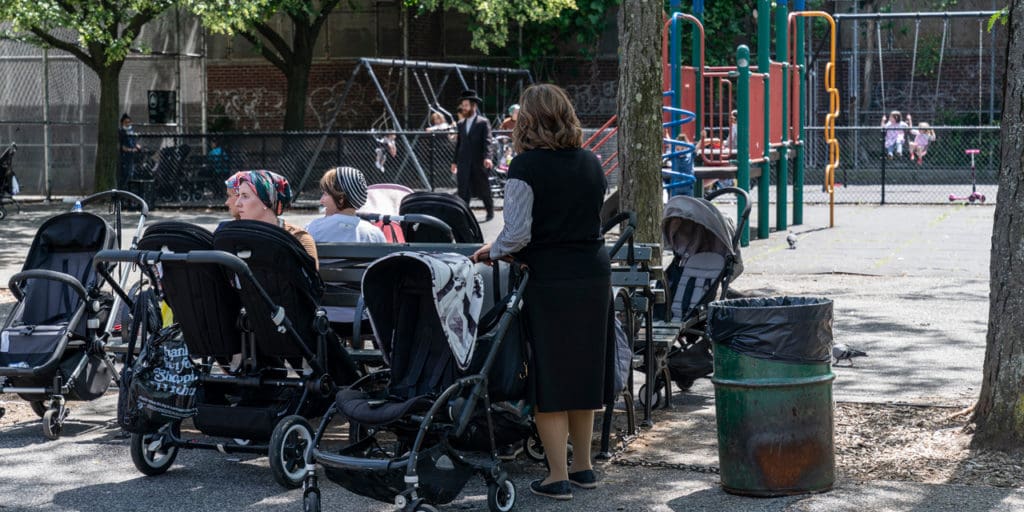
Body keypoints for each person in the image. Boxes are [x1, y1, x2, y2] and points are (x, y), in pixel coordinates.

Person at [471, 83, 612, 501]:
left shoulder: (525, 167)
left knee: (548, 375)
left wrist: (489, 251)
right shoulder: (592, 162)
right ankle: (583, 467)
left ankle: (556, 476)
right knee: (584, 370)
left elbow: (516, 234)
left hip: (550, 279)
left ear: (527, 121)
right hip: (593, 273)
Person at [232, 170, 318, 266]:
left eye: (245, 196)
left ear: (266, 201)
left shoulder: (298, 238)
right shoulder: (233, 235)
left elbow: (310, 278)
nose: (237, 203)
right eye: (239, 196)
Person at [306, 166, 385, 244]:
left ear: (341, 200)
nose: (321, 200)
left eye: (325, 194)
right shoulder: (375, 235)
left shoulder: (312, 229)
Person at [451, 89, 495, 222]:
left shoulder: (483, 122)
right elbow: (459, 144)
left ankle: (490, 211)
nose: (463, 108)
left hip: (478, 161)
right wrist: (454, 162)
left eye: (466, 105)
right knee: (463, 190)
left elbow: (488, 141)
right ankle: (464, 215)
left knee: (483, 188)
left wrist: (488, 157)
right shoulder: (460, 124)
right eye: (462, 105)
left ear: (473, 106)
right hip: (464, 162)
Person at [118, 113, 142, 189]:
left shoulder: (132, 132)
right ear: (122, 123)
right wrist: (130, 150)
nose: (128, 124)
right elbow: (122, 146)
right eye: (126, 122)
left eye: (129, 122)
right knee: (125, 174)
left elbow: (134, 142)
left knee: (132, 173)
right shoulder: (121, 132)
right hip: (124, 157)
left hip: (132, 157)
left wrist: (137, 146)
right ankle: (123, 189)